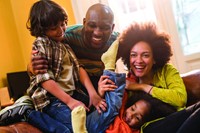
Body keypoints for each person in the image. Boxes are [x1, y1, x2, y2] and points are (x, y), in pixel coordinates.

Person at [0, 1, 107, 132]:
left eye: (63, 24)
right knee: (70, 129)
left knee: (98, 115)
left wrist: (93, 94)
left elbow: (79, 68)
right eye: (54, 28)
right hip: (51, 99)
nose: (61, 30)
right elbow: (44, 79)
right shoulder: (42, 43)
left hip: (73, 94)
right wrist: (69, 101)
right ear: (41, 29)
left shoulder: (64, 45)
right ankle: (28, 113)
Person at [104, 21, 200, 133]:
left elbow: (180, 99)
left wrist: (141, 87)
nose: (138, 61)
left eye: (145, 55)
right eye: (133, 55)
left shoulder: (167, 71)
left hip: (178, 123)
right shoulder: (127, 82)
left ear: (155, 58)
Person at [29, 3, 119, 92]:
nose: (97, 33)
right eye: (92, 25)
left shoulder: (117, 41)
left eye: (105, 27)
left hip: (104, 83)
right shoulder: (65, 36)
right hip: (77, 86)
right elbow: (42, 56)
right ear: (84, 23)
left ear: (112, 28)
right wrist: (32, 67)